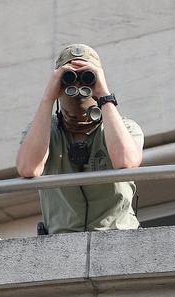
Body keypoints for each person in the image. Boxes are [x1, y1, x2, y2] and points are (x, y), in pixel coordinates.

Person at [16, 44, 144, 234]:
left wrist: (103, 95)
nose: (77, 86)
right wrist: (48, 98)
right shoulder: (43, 131)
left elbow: (125, 162)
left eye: (87, 78)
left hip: (116, 238)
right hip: (62, 244)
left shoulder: (125, 127)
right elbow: (28, 168)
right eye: (67, 79)